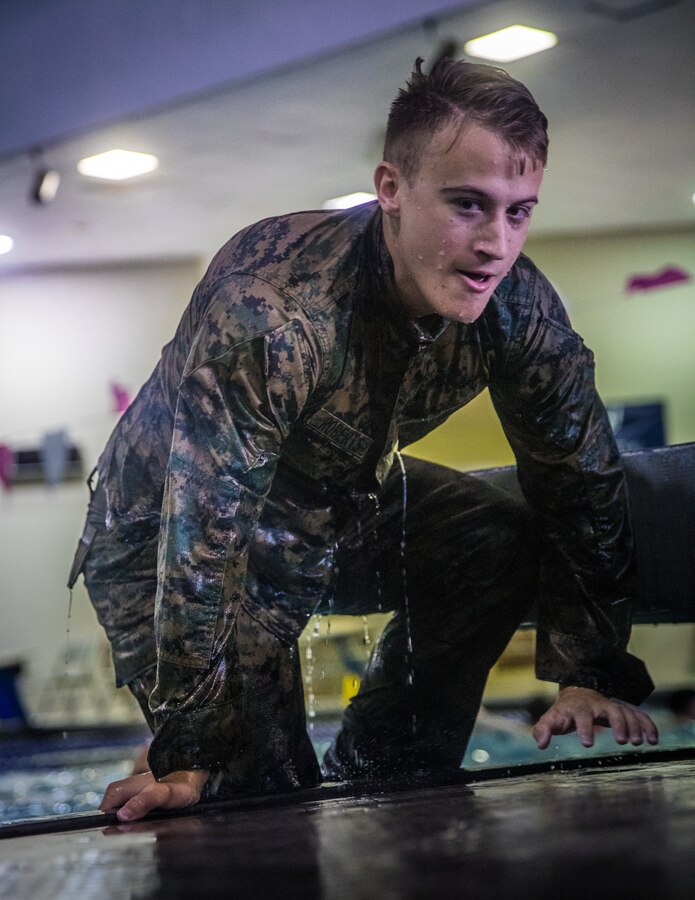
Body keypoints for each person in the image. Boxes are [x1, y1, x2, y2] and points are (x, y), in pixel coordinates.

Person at [68, 57, 658, 823]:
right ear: (390, 188)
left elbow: (579, 476)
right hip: (168, 541)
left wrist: (589, 667)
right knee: (264, 803)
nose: (495, 243)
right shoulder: (274, 309)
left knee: (489, 539)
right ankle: (228, 766)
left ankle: (383, 772)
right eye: (467, 204)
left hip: (328, 499)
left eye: (519, 211)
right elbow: (202, 538)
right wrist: (196, 746)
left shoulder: (519, 311)